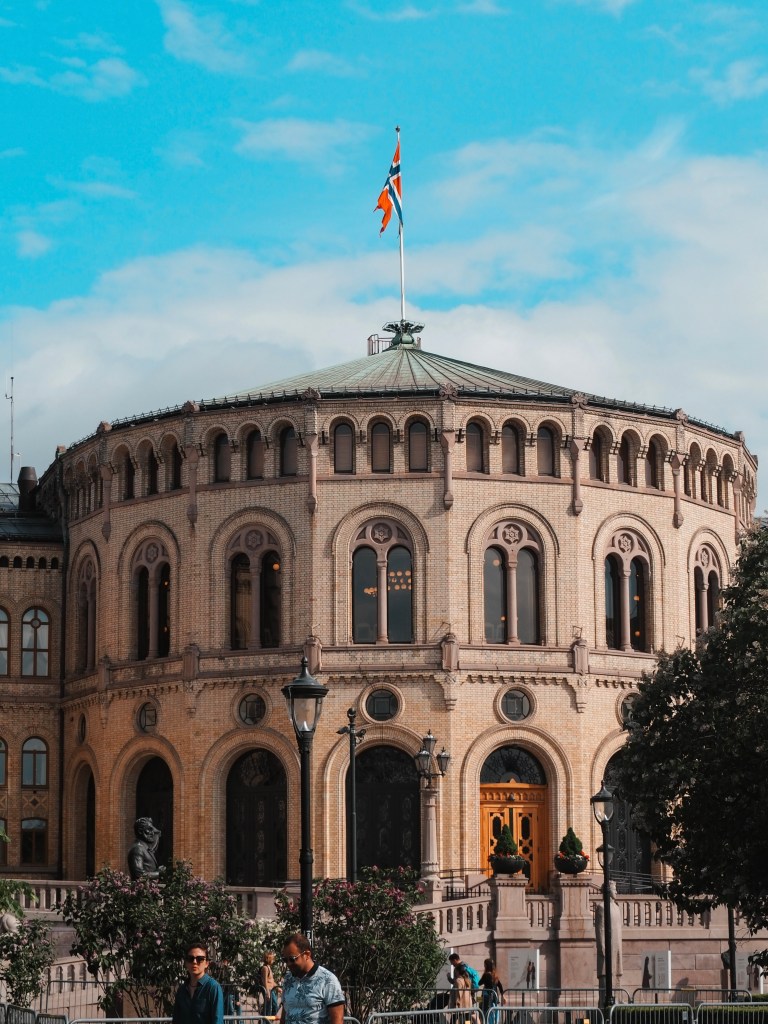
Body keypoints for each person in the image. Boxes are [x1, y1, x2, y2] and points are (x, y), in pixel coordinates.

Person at [280, 933, 344, 1024]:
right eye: (285, 960)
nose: (288, 964)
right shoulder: (288, 979)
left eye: (292, 959)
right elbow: (284, 1015)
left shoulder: (328, 980)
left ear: (307, 954)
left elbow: (337, 1020)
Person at [173, 941, 224, 1024]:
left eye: (200, 959)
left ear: (206, 963)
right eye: (190, 958)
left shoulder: (213, 988)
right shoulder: (182, 990)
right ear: (186, 963)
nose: (194, 962)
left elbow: (217, 1020)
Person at [260, 951, 280, 1017]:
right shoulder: (265, 968)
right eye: (272, 959)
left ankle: (266, 1020)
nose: (273, 960)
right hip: (268, 990)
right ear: (269, 959)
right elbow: (265, 981)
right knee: (273, 1007)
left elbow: (271, 981)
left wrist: (278, 988)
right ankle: (266, 1020)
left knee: (269, 1007)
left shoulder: (269, 967)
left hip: (271, 990)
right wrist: (267, 992)